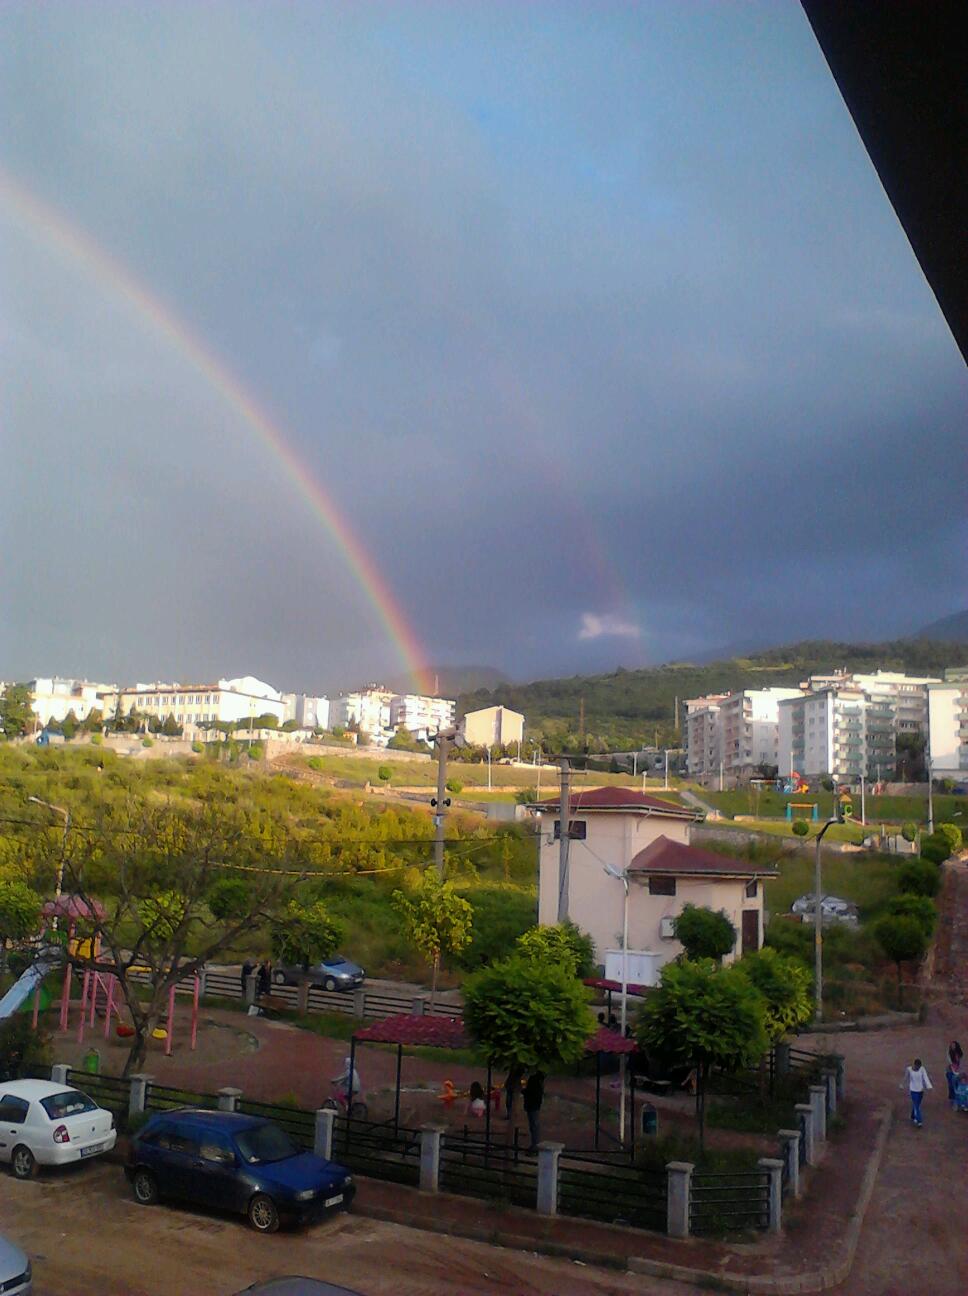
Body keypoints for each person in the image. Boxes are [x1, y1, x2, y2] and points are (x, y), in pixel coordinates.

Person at [901, 1056, 932, 1126]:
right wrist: (902, 1084)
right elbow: (906, 1077)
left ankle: (913, 1115)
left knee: (917, 1104)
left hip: (920, 1090)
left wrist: (929, 1086)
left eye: (919, 1067)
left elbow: (925, 1077)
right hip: (913, 1090)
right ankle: (919, 1120)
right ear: (914, 1065)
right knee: (916, 1105)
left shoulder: (922, 1069)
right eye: (917, 1066)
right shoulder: (909, 1069)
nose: (918, 1068)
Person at [524, 1070, 545, 1152]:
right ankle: (535, 1145)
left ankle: (535, 1146)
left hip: (532, 1105)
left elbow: (531, 1092)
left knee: (534, 1125)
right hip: (534, 1105)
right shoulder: (539, 1081)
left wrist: (524, 1091)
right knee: (534, 1125)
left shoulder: (534, 1080)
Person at [945, 1041, 964, 1107]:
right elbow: (950, 1063)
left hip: (957, 1070)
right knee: (951, 1085)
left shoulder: (958, 1053)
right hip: (950, 1071)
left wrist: (959, 1070)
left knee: (958, 1084)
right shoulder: (949, 1053)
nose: (953, 1047)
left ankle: (958, 1098)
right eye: (952, 1045)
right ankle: (952, 1098)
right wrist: (954, 1071)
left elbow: (960, 1062)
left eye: (954, 1045)